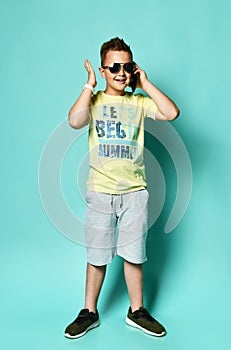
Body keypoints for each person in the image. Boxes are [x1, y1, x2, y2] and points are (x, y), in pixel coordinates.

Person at [64, 37, 179, 339]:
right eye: (114, 66)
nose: (121, 72)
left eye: (127, 66)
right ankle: (89, 311)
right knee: (97, 254)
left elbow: (171, 113)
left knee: (134, 254)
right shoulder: (95, 100)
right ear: (103, 70)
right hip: (101, 191)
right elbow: (74, 121)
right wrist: (89, 85)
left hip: (135, 193)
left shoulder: (138, 102)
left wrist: (145, 83)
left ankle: (136, 310)